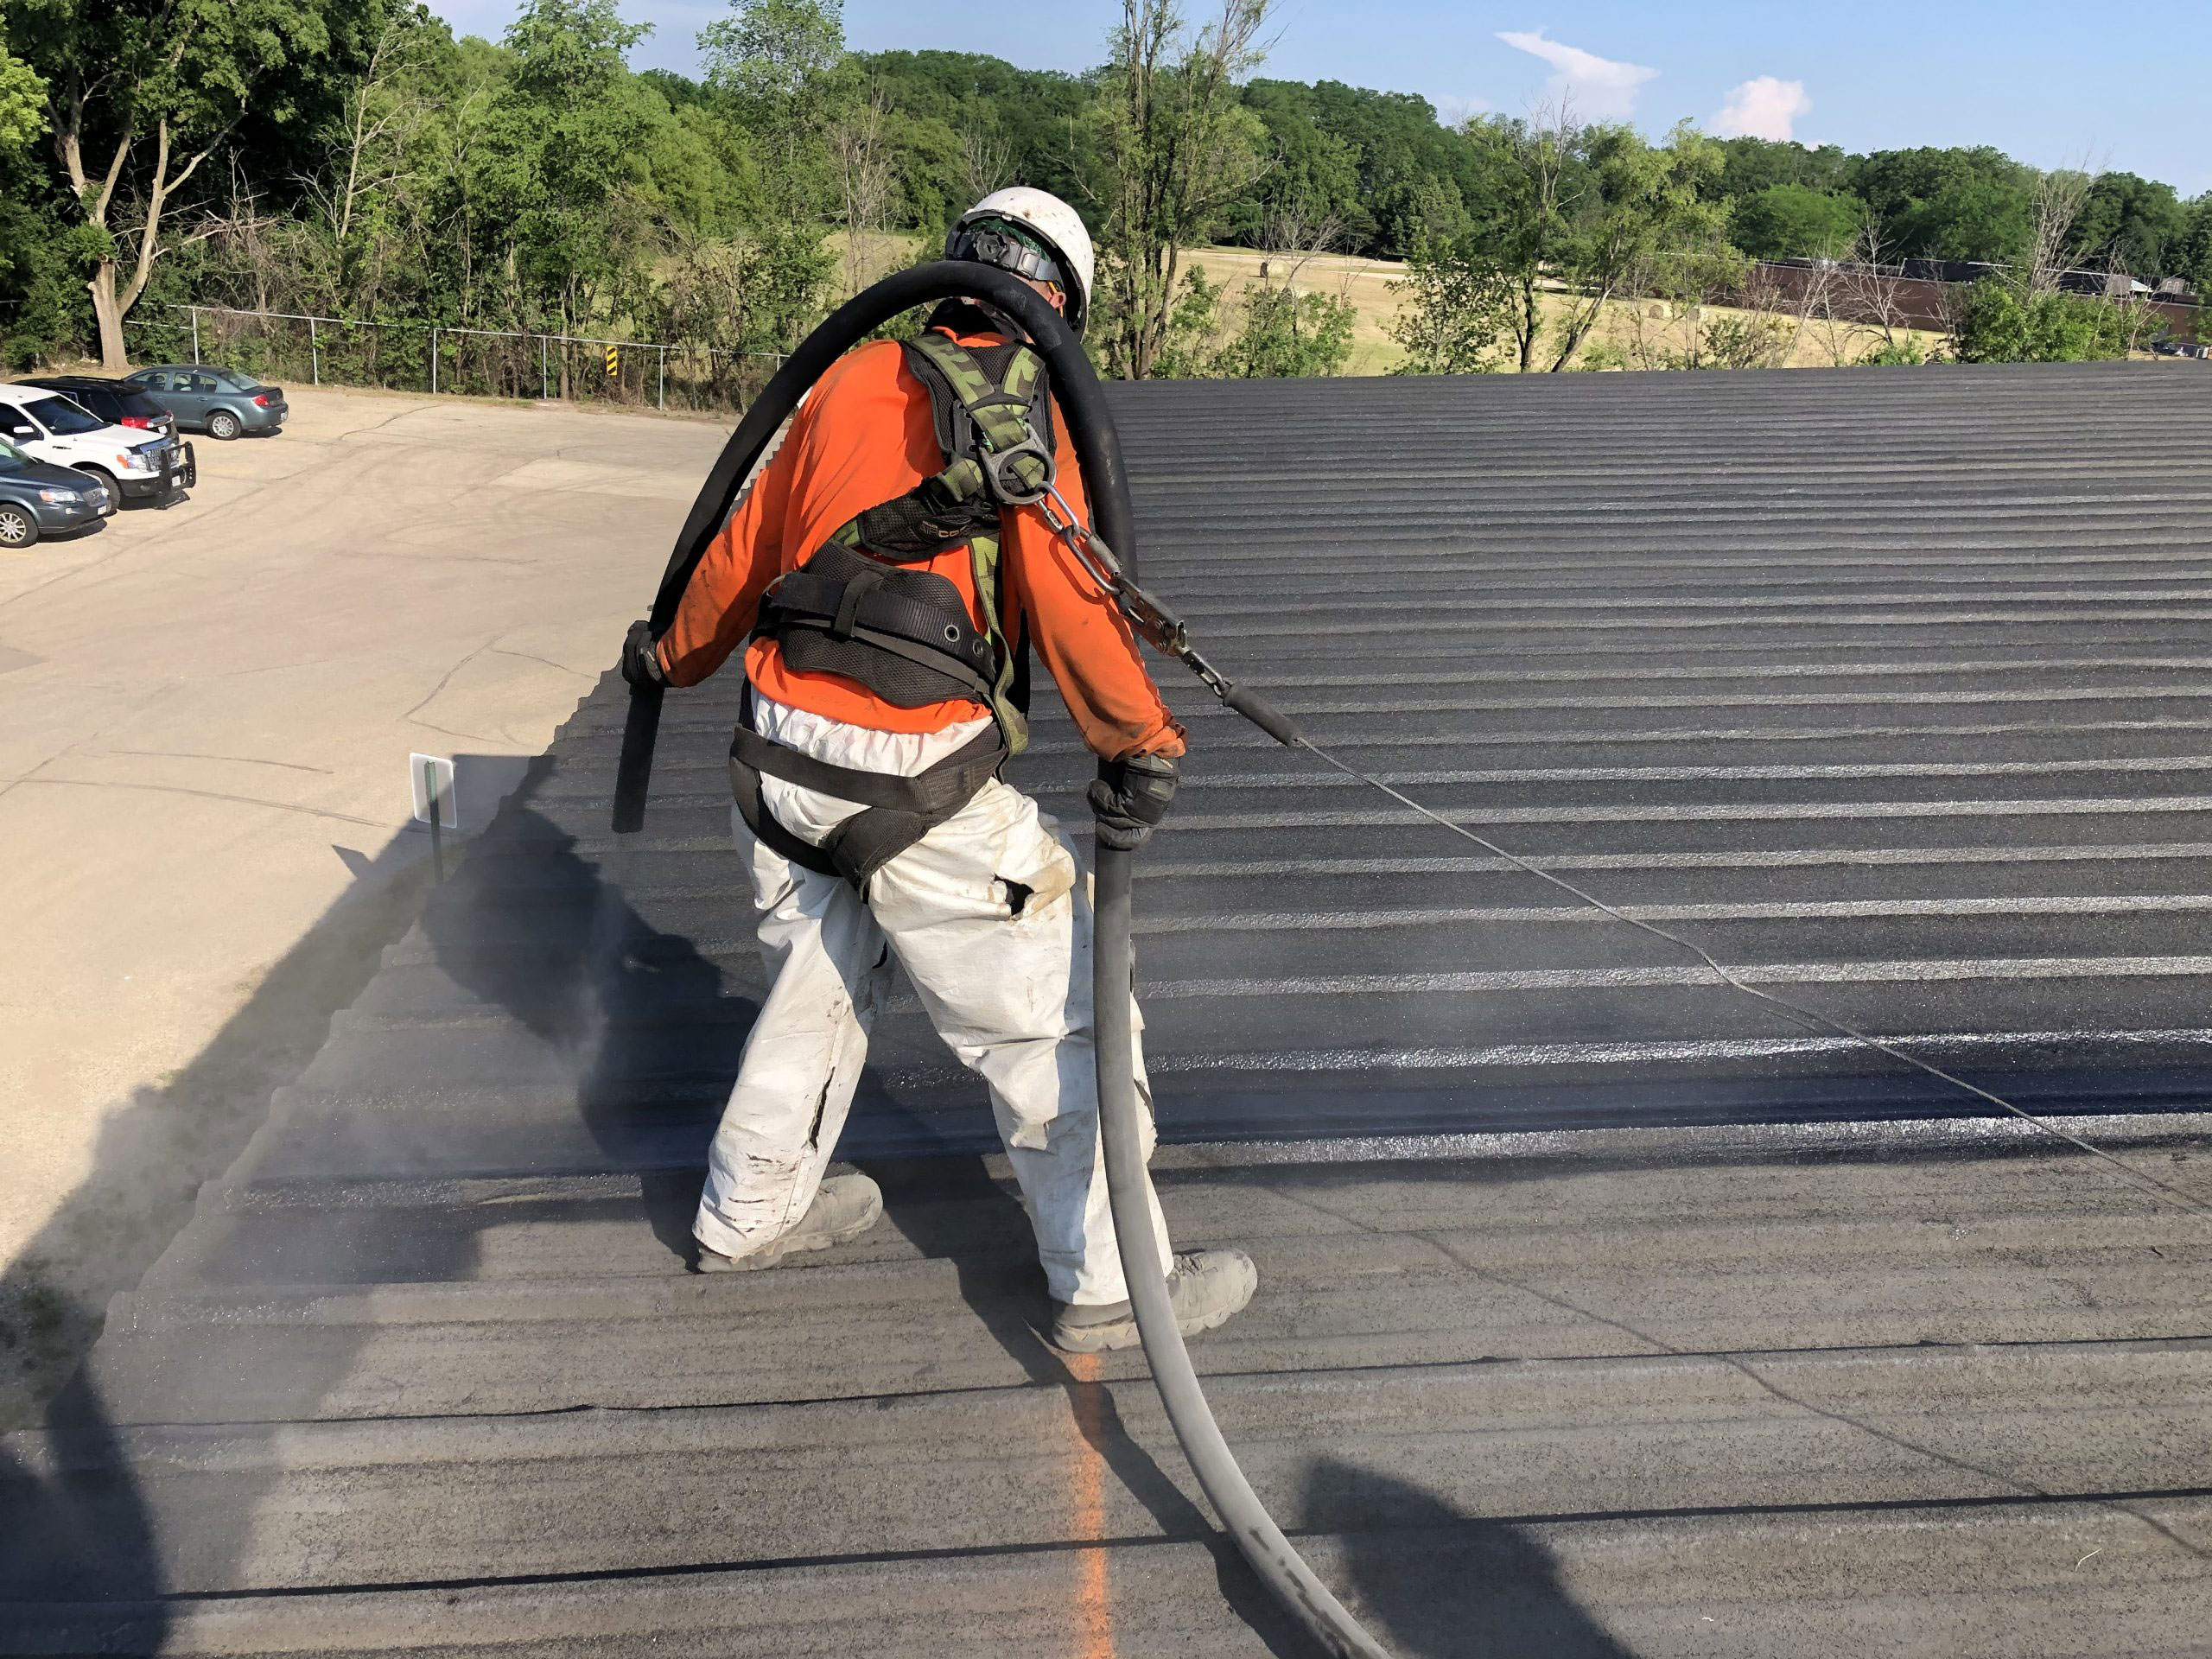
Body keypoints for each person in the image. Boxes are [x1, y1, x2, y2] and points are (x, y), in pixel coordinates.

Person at [621, 187, 1256, 1354]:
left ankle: (744, 1215)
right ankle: (1113, 1287)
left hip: (777, 766)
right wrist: (1142, 744)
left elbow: (740, 550)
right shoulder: (1023, 409)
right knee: (1057, 1015)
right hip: (918, 781)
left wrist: (667, 656)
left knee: (812, 990)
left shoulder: (847, 382)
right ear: (1060, 301)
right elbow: (1072, 596)